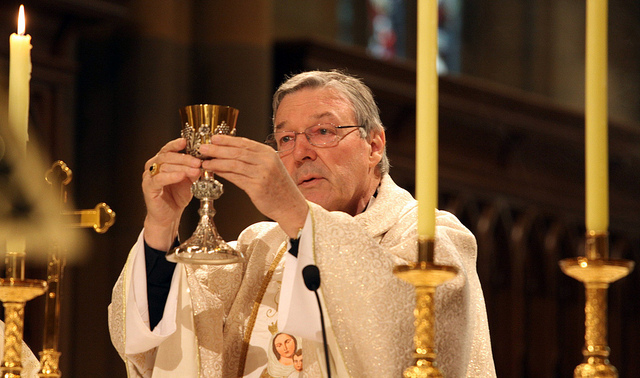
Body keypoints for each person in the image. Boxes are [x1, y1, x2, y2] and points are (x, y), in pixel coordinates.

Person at [108, 70, 496, 377]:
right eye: (286, 138)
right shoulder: (258, 245)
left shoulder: (431, 237)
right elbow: (161, 342)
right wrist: (162, 224)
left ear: (375, 145)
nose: (300, 153)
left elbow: (408, 342)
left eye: (323, 131)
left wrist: (297, 216)